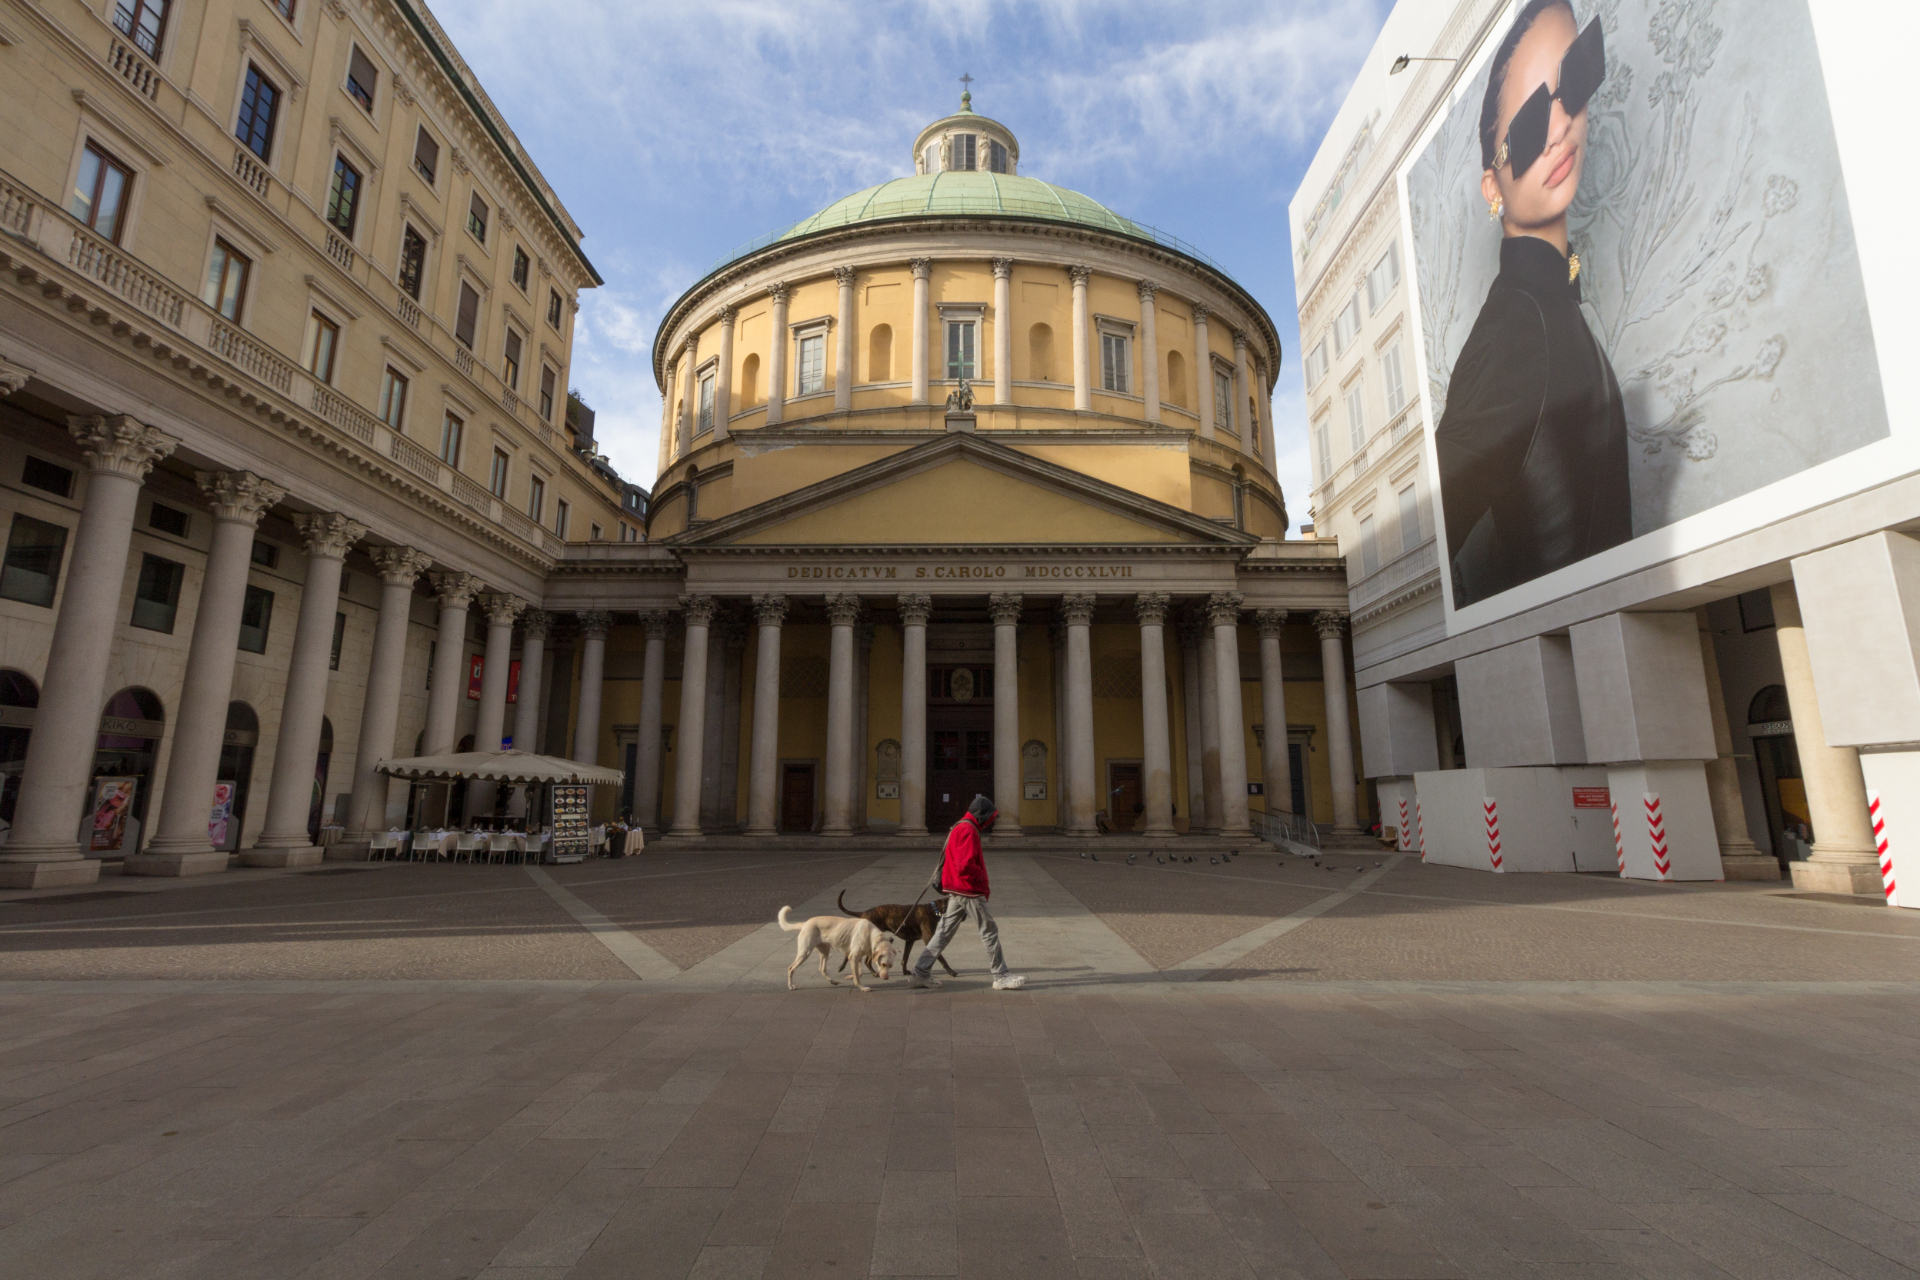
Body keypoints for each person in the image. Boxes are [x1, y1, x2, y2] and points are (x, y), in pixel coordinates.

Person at [1434, 0, 1631, 607]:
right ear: (1492, 188)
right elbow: (1424, 533)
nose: (1557, 126)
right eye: (1524, 128)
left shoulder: (1550, 304)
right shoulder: (1517, 326)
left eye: (1572, 82)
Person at [909, 793, 1025, 990]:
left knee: (944, 931)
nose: (989, 823)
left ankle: (920, 972)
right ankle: (1001, 975)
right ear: (982, 815)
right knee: (989, 930)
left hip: (955, 888)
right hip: (968, 890)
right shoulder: (968, 830)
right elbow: (965, 865)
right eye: (989, 817)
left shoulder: (959, 826)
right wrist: (980, 876)